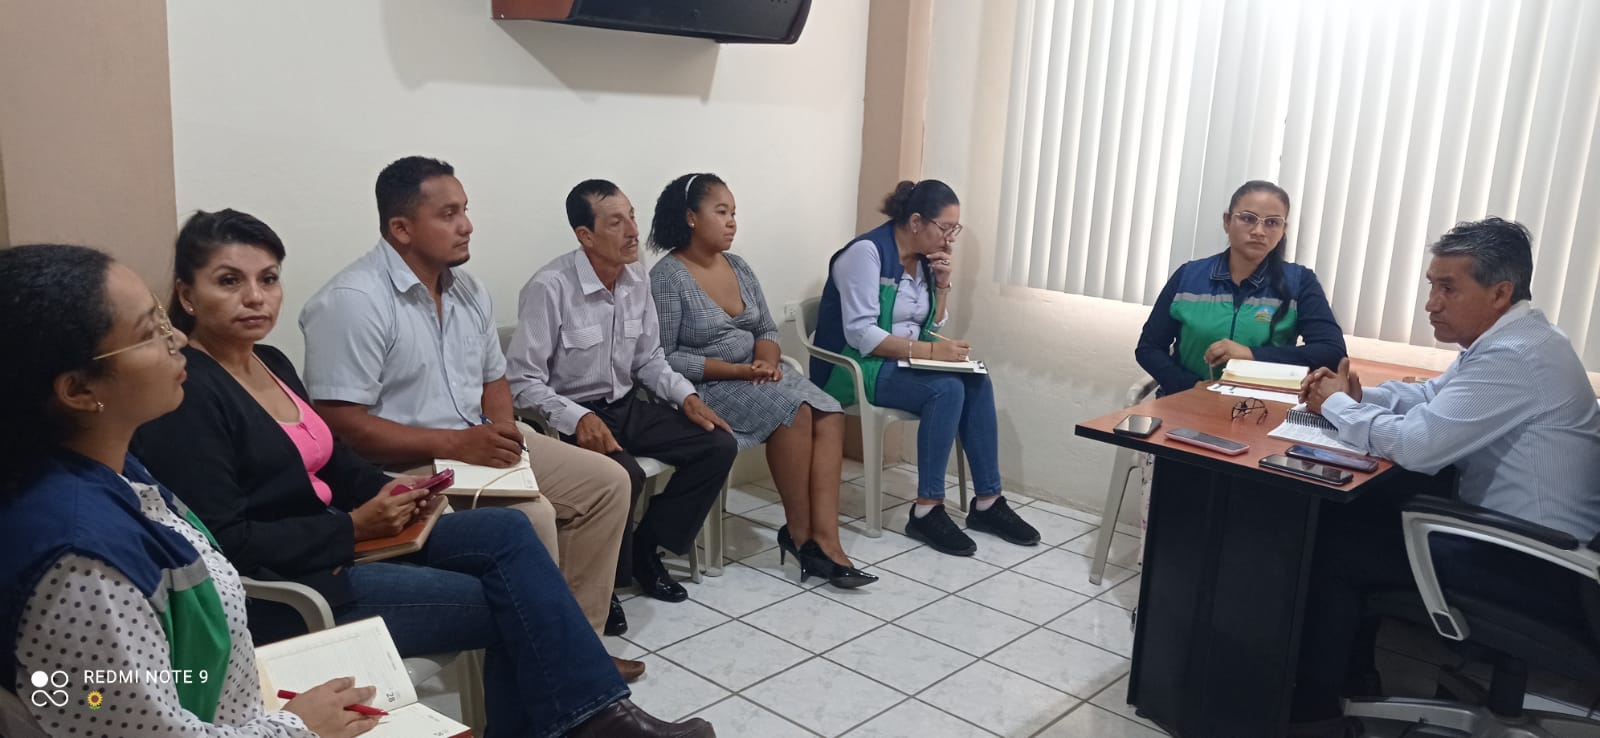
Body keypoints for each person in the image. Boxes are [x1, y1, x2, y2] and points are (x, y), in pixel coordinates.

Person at [127, 210, 710, 737]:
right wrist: (353, 526)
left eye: (269, 279)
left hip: (350, 534)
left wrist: (390, 489)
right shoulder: (190, 394)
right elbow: (228, 542)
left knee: (509, 532)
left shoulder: (269, 362)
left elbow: (335, 458)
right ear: (188, 296)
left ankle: (592, 715)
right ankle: (597, 718)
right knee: (519, 606)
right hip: (304, 580)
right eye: (230, 281)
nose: (255, 297)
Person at [1287, 217, 1600, 738]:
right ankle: (1356, 681)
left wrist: (1338, 406)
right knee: (1362, 517)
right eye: (1432, 285)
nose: (1431, 303)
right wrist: (1360, 397)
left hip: (1538, 566)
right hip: (1541, 547)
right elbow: (1434, 398)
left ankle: (1315, 716)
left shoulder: (1515, 356)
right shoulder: (1519, 338)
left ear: (1500, 292)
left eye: (1448, 288)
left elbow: (1418, 446)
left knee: (1332, 545)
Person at [297, 156, 633, 641]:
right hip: (403, 464)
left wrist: (502, 433)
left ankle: (580, 643)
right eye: (448, 214)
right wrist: (458, 445)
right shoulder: (353, 301)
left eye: (465, 210)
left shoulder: (468, 291)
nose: (467, 226)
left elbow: (494, 379)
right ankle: (540, 655)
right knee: (532, 515)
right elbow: (340, 424)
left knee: (608, 482)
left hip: (473, 443)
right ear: (401, 228)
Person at [505, 179, 737, 607]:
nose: (633, 231)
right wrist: (578, 418)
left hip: (626, 405)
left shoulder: (635, 277)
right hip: (571, 416)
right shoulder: (550, 287)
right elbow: (522, 381)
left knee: (717, 444)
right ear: (585, 235)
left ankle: (646, 551)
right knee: (624, 475)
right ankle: (601, 583)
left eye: (631, 216)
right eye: (616, 222)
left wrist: (686, 397)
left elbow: (649, 359)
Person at [647, 173, 875, 588]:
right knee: (796, 411)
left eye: (734, 213)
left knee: (829, 410)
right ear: (691, 217)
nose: (732, 222)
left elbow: (767, 329)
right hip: (706, 388)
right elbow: (665, 357)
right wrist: (740, 370)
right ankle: (800, 534)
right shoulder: (668, 276)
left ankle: (828, 540)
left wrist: (767, 363)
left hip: (756, 376)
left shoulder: (739, 266)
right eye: (721, 212)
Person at [811, 179, 1040, 557]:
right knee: (945, 389)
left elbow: (926, 324)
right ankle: (926, 509)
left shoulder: (922, 260)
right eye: (945, 228)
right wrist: (933, 353)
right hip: (854, 367)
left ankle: (988, 502)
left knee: (976, 381)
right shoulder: (866, 254)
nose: (949, 239)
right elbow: (861, 335)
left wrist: (943, 285)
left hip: (899, 362)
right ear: (916, 221)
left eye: (954, 230)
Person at [1136, 179, 1346, 397]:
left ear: (1283, 229)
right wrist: (1192, 387)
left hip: (1263, 406)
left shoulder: (1299, 282)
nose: (1259, 231)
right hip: (1185, 401)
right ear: (1227, 221)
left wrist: (1251, 354)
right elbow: (1149, 348)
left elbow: (1332, 352)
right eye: (1248, 218)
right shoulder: (1188, 276)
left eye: (1272, 222)